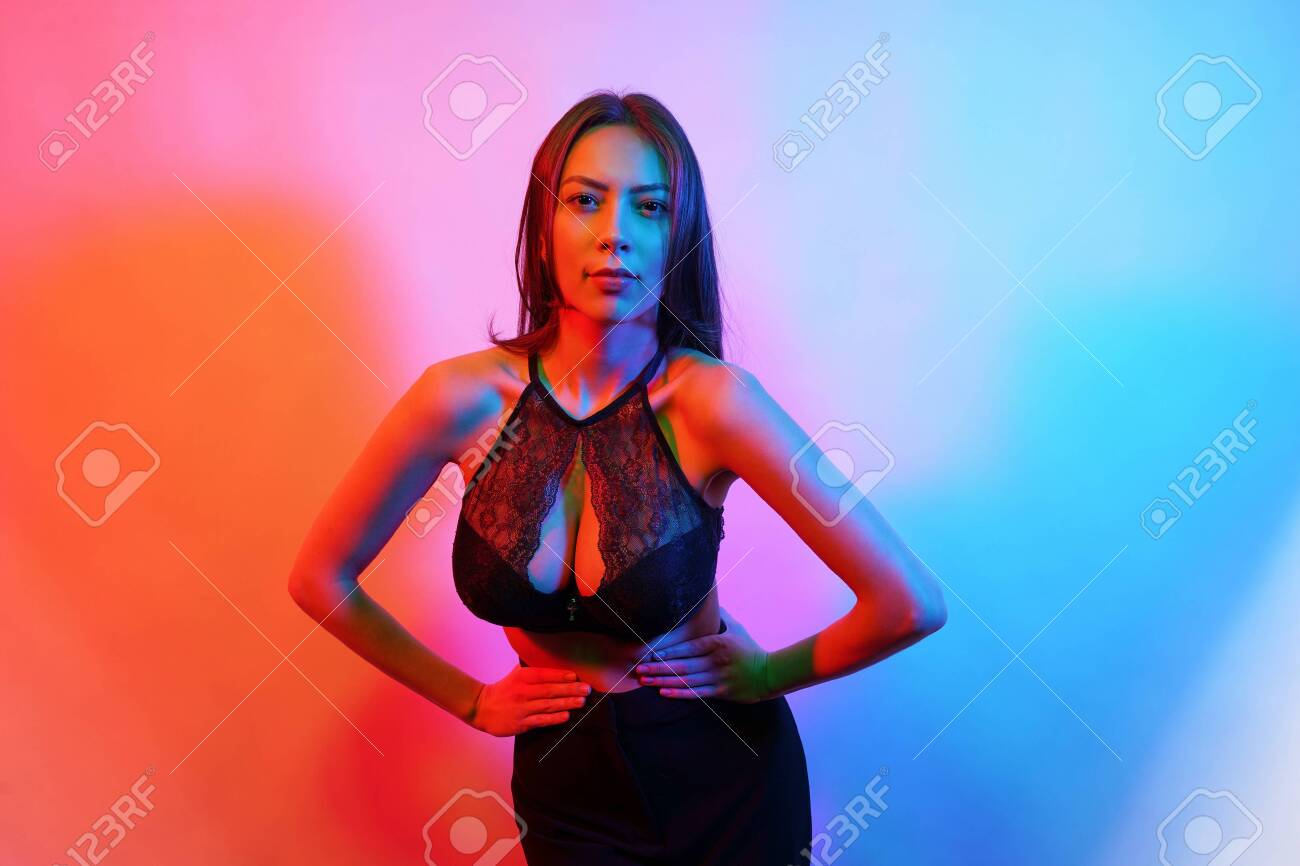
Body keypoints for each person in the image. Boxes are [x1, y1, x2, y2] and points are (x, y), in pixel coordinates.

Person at [288, 90, 947, 865]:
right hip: (564, 788)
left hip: (725, 772)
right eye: (585, 201)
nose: (615, 237)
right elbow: (320, 579)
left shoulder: (715, 404)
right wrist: (469, 700)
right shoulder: (458, 399)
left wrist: (769, 672)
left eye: (650, 208)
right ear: (544, 226)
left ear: (680, 236)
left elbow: (908, 604)